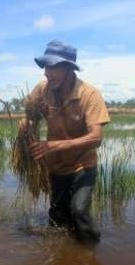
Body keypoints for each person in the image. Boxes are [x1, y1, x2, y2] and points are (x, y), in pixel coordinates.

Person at [28, 40, 110, 243]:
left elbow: (96, 138)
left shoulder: (89, 95)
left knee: (79, 210)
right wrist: (27, 124)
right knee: (57, 215)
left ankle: (91, 253)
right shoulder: (42, 90)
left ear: (68, 68)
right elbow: (30, 114)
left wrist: (54, 146)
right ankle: (62, 256)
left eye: (53, 67)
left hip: (83, 165)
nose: (47, 73)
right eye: (46, 66)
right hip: (56, 167)